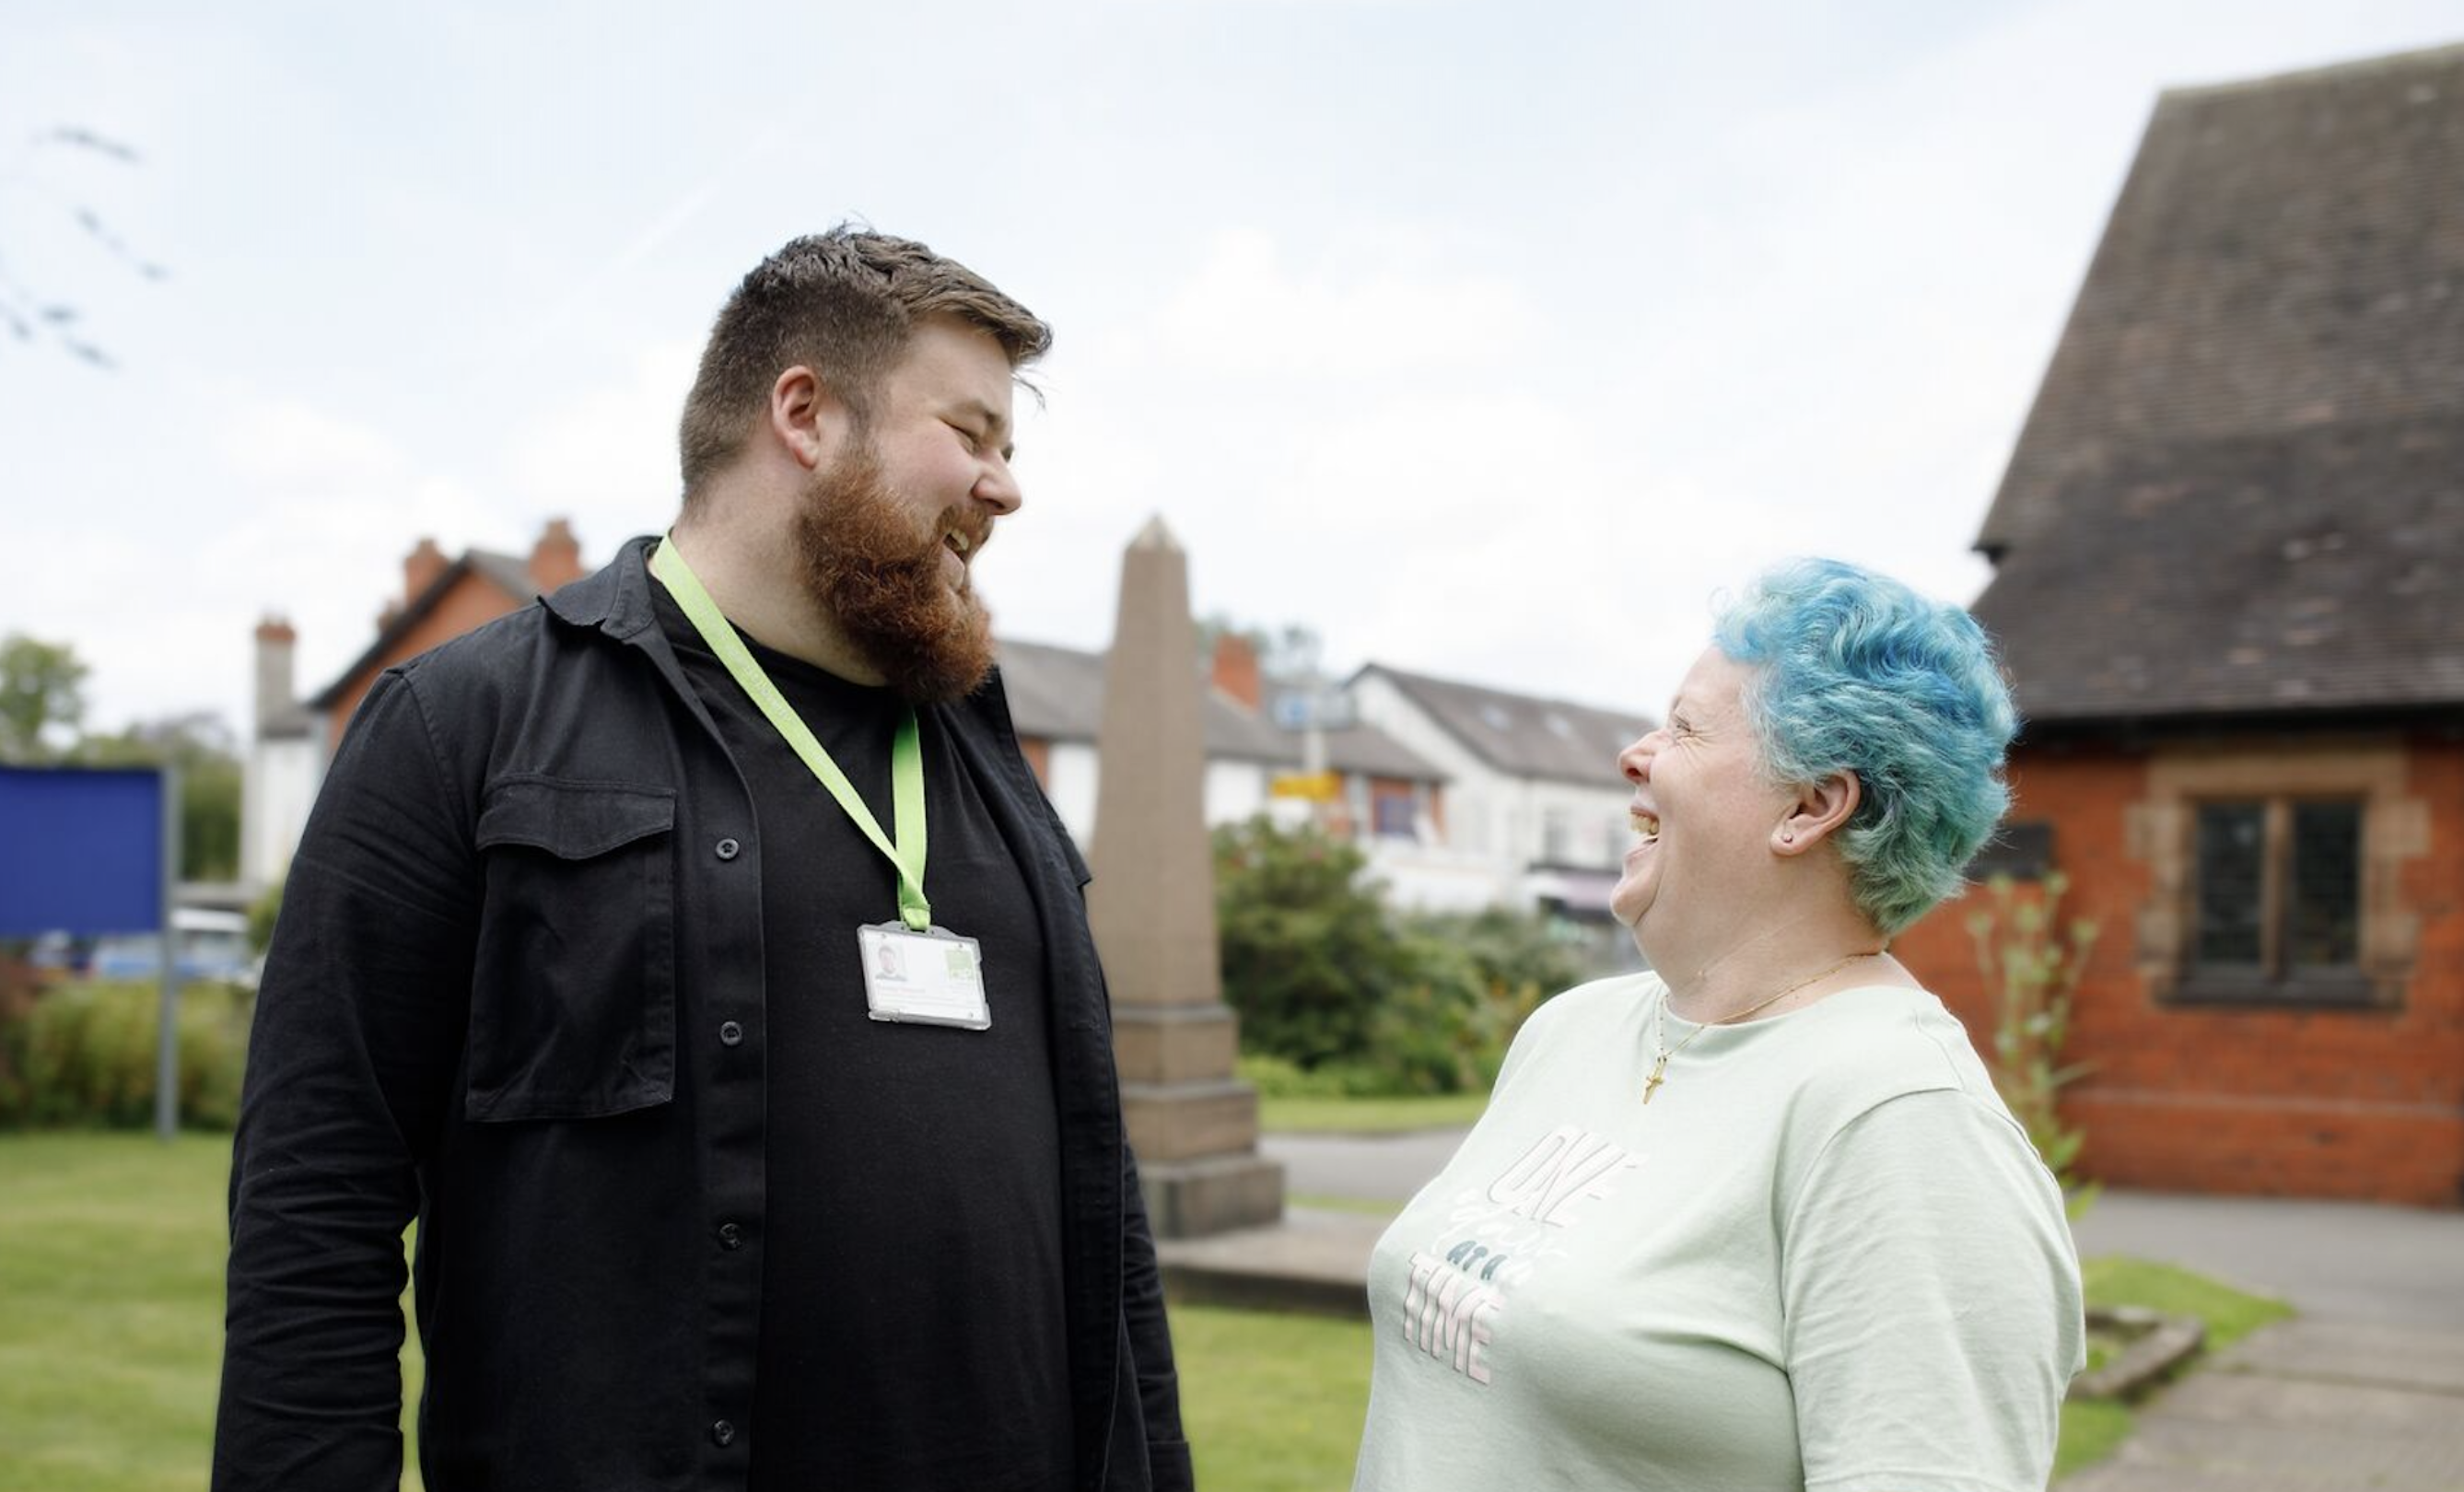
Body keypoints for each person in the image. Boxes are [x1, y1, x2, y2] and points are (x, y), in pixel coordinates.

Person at [215, 228, 1191, 1492]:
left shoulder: (994, 770)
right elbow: (316, 1209)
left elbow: (1105, 1226)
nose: (1006, 489)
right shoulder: (465, 727)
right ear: (805, 413)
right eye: (974, 434)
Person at [1352, 558, 2084, 1491]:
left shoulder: (1901, 1119)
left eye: (1686, 729)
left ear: (1812, 807)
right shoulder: (1572, 1030)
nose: (1638, 755)